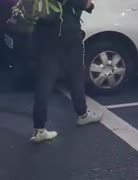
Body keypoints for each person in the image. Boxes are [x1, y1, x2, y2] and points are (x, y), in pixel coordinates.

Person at [31, 0, 102, 143]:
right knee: (76, 76)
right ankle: (82, 114)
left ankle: (39, 129)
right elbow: (85, 4)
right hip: (68, 36)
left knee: (44, 82)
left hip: (44, 37)